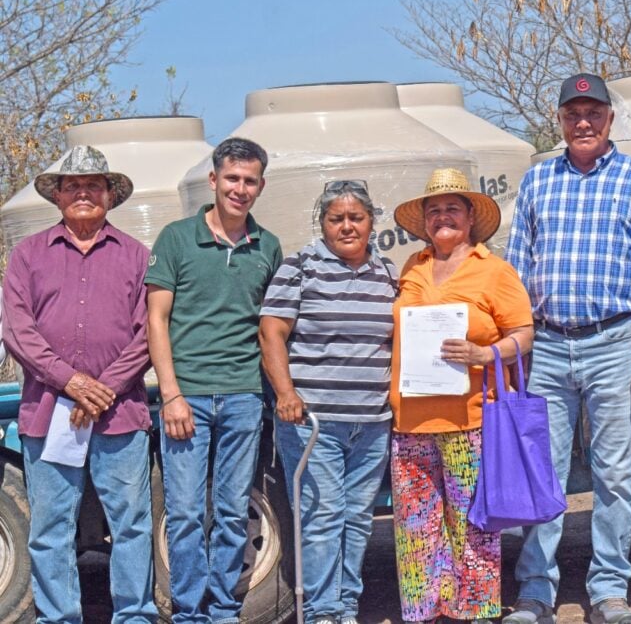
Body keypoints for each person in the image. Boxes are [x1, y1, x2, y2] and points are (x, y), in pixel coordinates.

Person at [504, 73, 631, 624]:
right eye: (573, 113)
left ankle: (608, 590)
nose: (584, 122)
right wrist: (514, 348)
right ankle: (535, 591)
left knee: (614, 474)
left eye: (594, 113)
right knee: (543, 473)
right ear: (559, 120)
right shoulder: (537, 181)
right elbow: (516, 270)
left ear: (610, 119)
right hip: (549, 345)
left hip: (612, 342)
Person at [2, 145, 157, 622]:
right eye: (73, 185)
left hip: (121, 413)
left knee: (131, 524)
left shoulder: (136, 255)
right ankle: (59, 617)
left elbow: (149, 330)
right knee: (49, 527)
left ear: (110, 195)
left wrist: (102, 389)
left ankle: (134, 615)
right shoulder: (27, 255)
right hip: (49, 413)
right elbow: (16, 330)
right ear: (57, 197)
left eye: (94, 185)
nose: (83, 193)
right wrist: (72, 383)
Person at [146, 137, 282, 623]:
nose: (239, 189)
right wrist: (172, 395)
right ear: (214, 180)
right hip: (189, 398)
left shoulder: (267, 246)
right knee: (183, 514)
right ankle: (187, 612)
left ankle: (223, 610)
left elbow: (271, 328)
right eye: (232, 179)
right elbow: (156, 320)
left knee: (230, 512)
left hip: (244, 397)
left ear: (260, 185)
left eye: (249, 181)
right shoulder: (177, 238)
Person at [389, 168, 534, 624]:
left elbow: (524, 334)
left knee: (471, 524)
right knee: (415, 527)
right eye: (434, 211)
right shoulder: (412, 266)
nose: (442, 217)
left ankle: (473, 612)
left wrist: (484, 351)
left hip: (471, 417)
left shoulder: (494, 271)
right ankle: (425, 612)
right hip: (409, 420)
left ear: (471, 218)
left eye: (452, 208)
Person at [259, 180, 396, 624]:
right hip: (313, 422)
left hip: (373, 422)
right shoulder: (299, 268)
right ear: (322, 224)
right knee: (322, 516)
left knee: (358, 519)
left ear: (372, 221)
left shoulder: (389, 273)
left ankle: (347, 606)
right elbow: (272, 333)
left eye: (356, 217)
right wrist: (285, 393)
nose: (347, 226)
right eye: (336, 218)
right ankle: (322, 611)